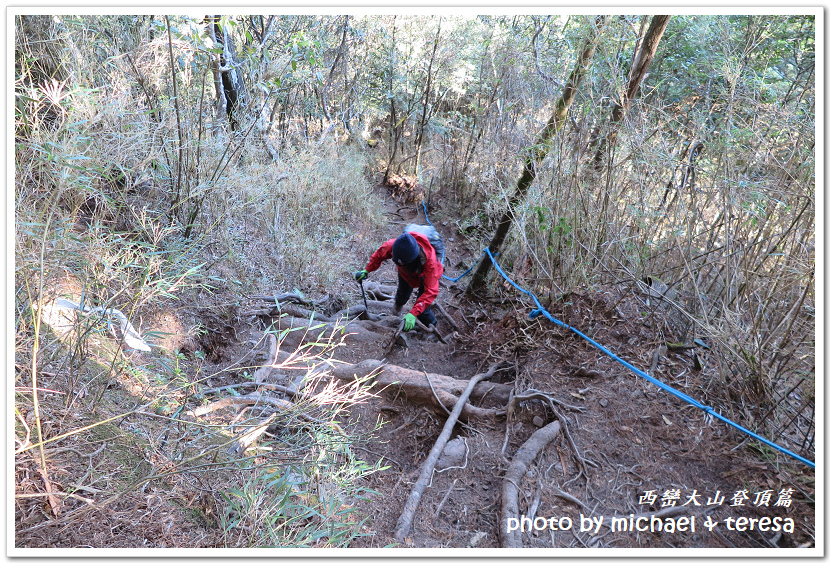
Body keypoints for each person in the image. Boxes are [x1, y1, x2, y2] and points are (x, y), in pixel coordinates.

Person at [354, 224, 444, 332]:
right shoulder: (393, 246)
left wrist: (413, 313)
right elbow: (379, 255)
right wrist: (367, 270)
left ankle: (432, 328)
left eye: (403, 263)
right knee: (402, 295)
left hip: (424, 276)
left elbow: (430, 291)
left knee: (423, 311)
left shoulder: (430, 263)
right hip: (406, 275)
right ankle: (396, 312)